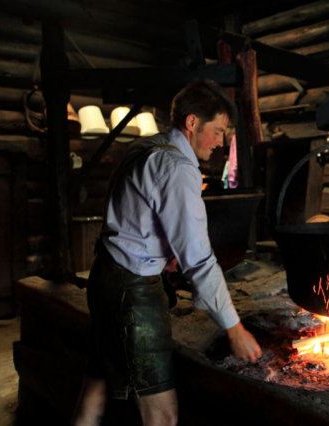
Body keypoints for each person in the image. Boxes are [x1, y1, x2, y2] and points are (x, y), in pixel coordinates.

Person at [72, 80, 262, 426]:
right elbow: (199, 259)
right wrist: (234, 328)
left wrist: (162, 251)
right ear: (192, 122)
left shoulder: (146, 147)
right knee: (162, 414)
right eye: (217, 131)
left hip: (106, 277)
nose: (221, 142)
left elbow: (135, 215)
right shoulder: (177, 168)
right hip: (131, 293)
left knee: (96, 387)